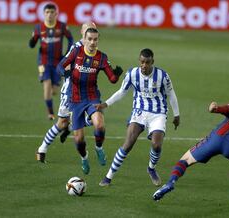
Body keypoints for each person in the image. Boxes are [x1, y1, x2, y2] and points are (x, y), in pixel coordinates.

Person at [153, 96, 229, 206]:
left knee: (186, 159)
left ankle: (170, 182)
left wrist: (213, 107)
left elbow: (218, 109)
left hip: (216, 139)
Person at [97, 48, 180, 187]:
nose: (144, 65)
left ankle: (151, 168)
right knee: (128, 143)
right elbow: (121, 92)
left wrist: (177, 115)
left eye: (147, 62)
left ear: (152, 62)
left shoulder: (162, 76)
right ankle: (108, 176)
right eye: (142, 62)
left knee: (156, 144)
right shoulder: (132, 74)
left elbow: (171, 94)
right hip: (139, 111)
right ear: (139, 61)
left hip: (158, 113)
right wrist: (106, 104)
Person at [57, 28, 123, 174]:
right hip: (75, 99)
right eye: (90, 39)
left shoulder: (101, 57)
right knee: (79, 139)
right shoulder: (76, 52)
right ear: (84, 39)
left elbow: (111, 79)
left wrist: (116, 75)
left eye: (95, 39)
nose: (93, 42)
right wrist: (66, 72)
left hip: (92, 97)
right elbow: (60, 66)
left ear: (98, 40)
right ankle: (84, 157)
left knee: (99, 125)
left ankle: (99, 148)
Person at [36, 22, 96, 163]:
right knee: (61, 122)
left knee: (96, 117)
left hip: (88, 91)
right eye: (87, 30)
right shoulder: (76, 48)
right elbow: (61, 66)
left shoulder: (94, 49)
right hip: (71, 91)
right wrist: (68, 74)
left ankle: (70, 126)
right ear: (82, 32)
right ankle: (42, 148)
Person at [29, 3, 74, 120]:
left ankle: (55, 88)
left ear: (56, 14)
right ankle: (50, 113)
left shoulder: (62, 26)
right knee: (47, 85)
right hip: (43, 62)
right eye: (47, 13)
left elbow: (70, 39)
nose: (49, 15)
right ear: (43, 14)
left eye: (52, 12)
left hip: (58, 62)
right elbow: (32, 45)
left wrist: (67, 55)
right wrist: (32, 40)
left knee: (54, 90)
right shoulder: (39, 28)